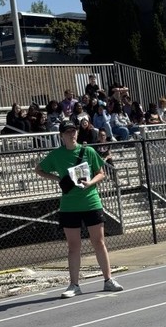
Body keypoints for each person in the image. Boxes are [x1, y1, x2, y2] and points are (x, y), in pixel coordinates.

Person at [34, 120, 124, 296]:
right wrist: (57, 179)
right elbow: (39, 169)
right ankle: (74, 284)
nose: (72, 134)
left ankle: (108, 279)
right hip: (69, 205)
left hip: (91, 202)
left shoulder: (88, 151)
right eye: (67, 132)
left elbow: (101, 173)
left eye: (73, 131)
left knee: (99, 241)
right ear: (61, 136)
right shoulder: (56, 155)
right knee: (73, 246)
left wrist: (90, 182)